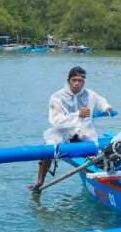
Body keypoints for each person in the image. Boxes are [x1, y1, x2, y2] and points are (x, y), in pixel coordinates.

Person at [30, 66, 113, 194]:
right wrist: (78, 114)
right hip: (62, 130)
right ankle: (40, 181)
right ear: (68, 80)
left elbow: (100, 100)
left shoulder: (89, 94)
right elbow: (55, 121)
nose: (77, 83)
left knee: (95, 148)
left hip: (84, 129)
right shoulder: (57, 97)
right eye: (74, 80)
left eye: (80, 80)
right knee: (49, 148)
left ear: (84, 82)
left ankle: (101, 175)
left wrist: (106, 107)